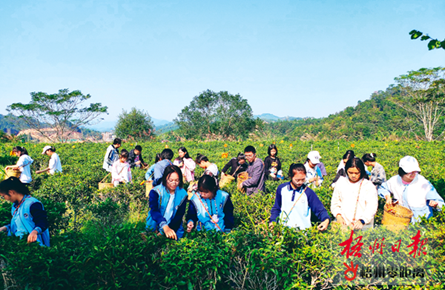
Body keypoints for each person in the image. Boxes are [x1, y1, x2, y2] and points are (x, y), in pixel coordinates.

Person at [378, 156, 444, 223]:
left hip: (419, 220)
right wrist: (387, 196)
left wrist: (435, 204)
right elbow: (383, 188)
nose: (413, 174)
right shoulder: (394, 180)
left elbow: (440, 202)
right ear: (402, 171)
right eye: (410, 172)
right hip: (400, 219)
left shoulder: (424, 183)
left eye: (415, 172)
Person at [269, 163, 330, 231]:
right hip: (284, 231)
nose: (300, 182)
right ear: (291, 177)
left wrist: (326, 220)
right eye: (297, 180)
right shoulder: (282, 189)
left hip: (303, 232)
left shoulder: (308, 192)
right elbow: (276, 208)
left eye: (303, 179)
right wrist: (273, 221)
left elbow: (320, 209)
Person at [0, 177, 50, 247]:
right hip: (21, 245)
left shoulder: (32, 203)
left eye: (3, 196)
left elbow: (42, 221)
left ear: (11, 192)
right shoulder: (15, 206)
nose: (5, 199)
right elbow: (18, 224)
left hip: (36, 246)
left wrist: (35, 232)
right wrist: (5, 228)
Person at [331, 158, 378, 231]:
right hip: (344, 225)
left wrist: (362, 220)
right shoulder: (341, 182)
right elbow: (335, 202)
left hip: (363, 227)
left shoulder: (368, 186)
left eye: (356, 173)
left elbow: (372, 207)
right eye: (350, 172)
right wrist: (338, 216)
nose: (353, 175)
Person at [146, 165, 188, 240]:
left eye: (177, 180)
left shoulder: (183, 194)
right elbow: (154, 211)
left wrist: (167, 231)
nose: (174, 183)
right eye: (171, 180)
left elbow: (179, 215)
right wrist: (164, 226)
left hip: (174, 228)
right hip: (155, 226)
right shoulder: (156, 192)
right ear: (165, 178)